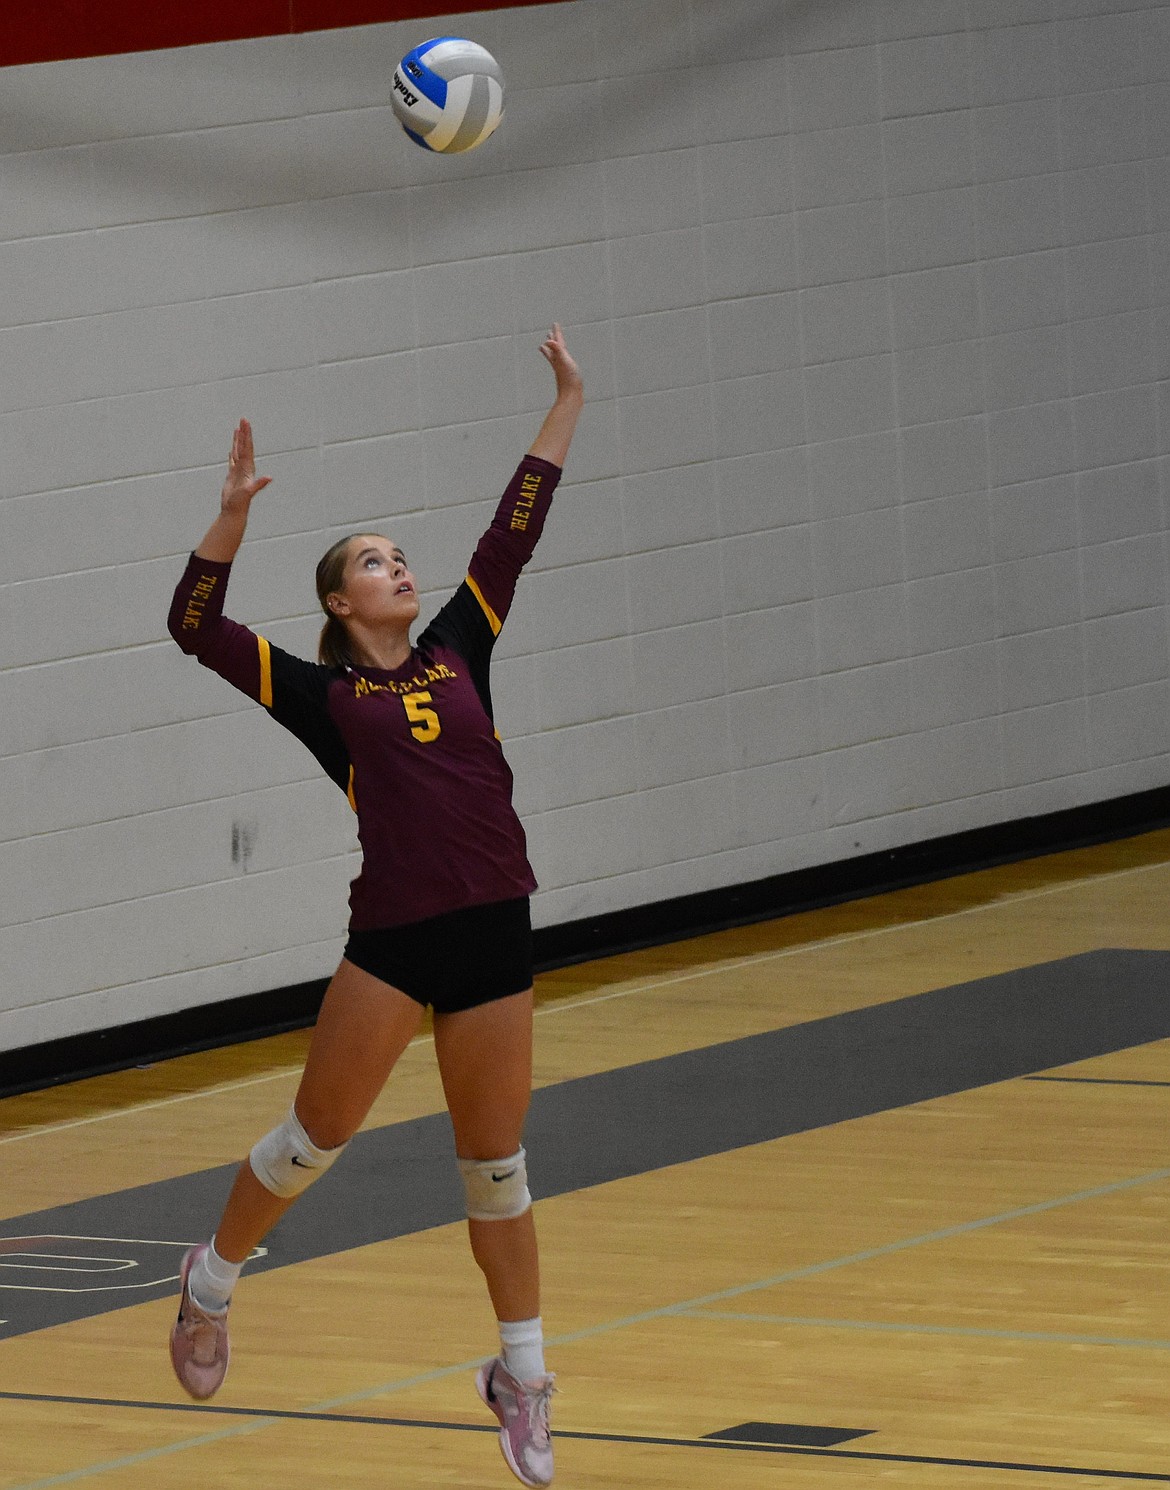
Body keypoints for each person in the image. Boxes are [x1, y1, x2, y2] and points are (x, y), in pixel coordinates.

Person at [165, 325, 584, 1489]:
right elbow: (195, 627)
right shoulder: (321, 691)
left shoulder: (462, 642)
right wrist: (232, 517)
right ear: (342, 600)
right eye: (374, 560)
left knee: (497, 1169)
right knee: (312, 1143)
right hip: (396, 940)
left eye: (403, 555)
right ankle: (210, 1275)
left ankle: (524, 1375)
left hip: (497, 923)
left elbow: (515, 529)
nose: (400, 566)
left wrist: (566, 401)